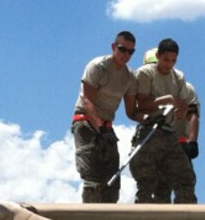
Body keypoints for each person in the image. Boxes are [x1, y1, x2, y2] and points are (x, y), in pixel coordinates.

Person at [72, 31, 142, 203]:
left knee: (112, 180)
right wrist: (100, 127)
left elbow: (131, 111)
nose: (126, 55)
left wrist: (151, 118)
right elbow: (87, 101)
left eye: (131, 52)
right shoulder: (98, 66)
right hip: (86, 123)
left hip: (106, 127)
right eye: (122, 49)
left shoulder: (129, 76)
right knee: (93, 177)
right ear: (113, 47)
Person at [130, 39, 197, 204]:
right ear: (158, 56)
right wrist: (164, 101)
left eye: (173, 60)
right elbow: (141, 105)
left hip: (170, 133)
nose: (169, 64)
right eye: (166, 60)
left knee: (185, 179)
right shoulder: (145, 73)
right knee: (147, 183)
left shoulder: (179, 76)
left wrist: (182, 110)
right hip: (150, 131)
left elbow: (184, 106)